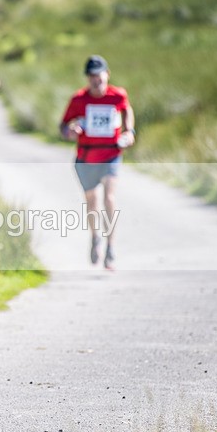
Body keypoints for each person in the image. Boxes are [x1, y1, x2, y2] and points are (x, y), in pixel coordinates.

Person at [60, 54, 135, 270]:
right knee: (92, 201)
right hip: (86, 156)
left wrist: (129, 132)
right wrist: (71, 131)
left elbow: (127, 110)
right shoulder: (78, 99)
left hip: (111, 154)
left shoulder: (118, 95)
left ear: (107, 74)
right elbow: (63, 126)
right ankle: (95, 237)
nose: (96, 80)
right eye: (92, 76)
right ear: (88, 78)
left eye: (99, 75)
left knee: (109, 198)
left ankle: (111, 247)